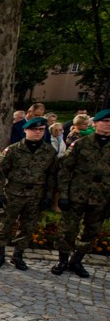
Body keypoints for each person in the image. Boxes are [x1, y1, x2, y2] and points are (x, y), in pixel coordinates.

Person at [50, 109, 110, 279]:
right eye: (105, 121)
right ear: (95, 123)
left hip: (101, 197)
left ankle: (76, 260)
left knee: (90, 230)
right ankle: (62, 260)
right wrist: (63, 194)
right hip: (76, 195)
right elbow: (64, 169)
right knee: (67, 229)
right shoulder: (81, 144)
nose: (108, 124)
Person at [0, 117, 57, 270]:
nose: (38, 132)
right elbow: (0, 172)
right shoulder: (13, 150)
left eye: (41, 130)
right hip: (14, 193)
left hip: (36, 194)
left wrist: (48, 196)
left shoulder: (49, 152)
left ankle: (18, 255)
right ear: (26, 130)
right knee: (4, 224)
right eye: (34, 129)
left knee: (28, 226)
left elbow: (52, 176)